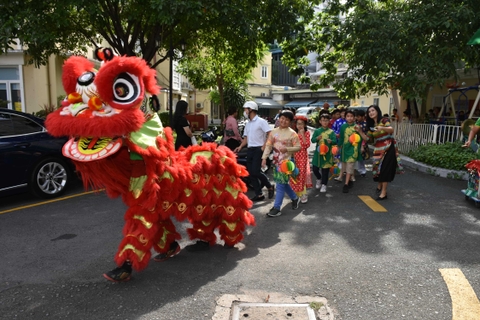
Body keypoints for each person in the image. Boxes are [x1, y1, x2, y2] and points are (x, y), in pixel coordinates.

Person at [356, 105, 404, 200]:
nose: (371, 113)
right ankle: (380, 185)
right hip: (378, 149)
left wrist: (382, 128)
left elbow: (391, 129)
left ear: (377, 111)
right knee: (379, 169)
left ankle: (384, 193)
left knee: (385, 169)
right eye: (369, 112)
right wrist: (360, 131)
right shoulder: (371, 126)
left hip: (389, 147)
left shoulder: (384, 120)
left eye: (373, 110)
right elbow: (368, 139)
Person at [261, 110, 301, 217]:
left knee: (279, 185)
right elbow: (269, 145)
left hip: (286, 163)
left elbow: (298, 147)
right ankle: (295, 198)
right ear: (279, 118)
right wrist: (264, 158)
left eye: (287, 120)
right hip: (276, 162)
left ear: (290, 122)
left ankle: (277, 208)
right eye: (282, 118)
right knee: (282, 183)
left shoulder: (293, 133)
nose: (284, 121)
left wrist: (287, 149)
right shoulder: (273, 132)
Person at [234, 101, 275, 201]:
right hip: (250, 149)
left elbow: (270, 134)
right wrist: (240, 146)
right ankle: (259, 194)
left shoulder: (261, 121)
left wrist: (264, 146)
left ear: (251, 109)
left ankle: (269, 186)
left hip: (258, 149)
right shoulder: (248, 124)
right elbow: (246, 138)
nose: (244, 111)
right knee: (251, 173)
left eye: (245, 109)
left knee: (256, 171)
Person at [311, 113, 337, 193]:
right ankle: (319, 178)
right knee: (315, 169)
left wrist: (331, 141)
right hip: (318, 154)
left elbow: (335, 141)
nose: (325, 122)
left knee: (325, 170)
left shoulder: (331, 132)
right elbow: (312, 140)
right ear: (320, 121)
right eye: (323, 120)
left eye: (326, 120)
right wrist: (316, 138)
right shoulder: (317, 131)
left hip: (328, 154)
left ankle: (324, 185)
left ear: (329, 121)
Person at [338, 110, 363, 193]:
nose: (350, 118)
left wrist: (361, 146)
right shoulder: (343, 127)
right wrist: (338, 147)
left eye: (351, 116)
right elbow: (341, 138)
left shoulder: (357, 127)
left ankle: (346, 184)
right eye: (348, 116)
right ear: (345, 117)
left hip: (353, 150)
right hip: (345, 149)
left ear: (354, 117)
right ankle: (349, 180)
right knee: (344, 166)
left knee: (350, 166)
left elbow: (361, 138)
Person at [290, 115, 312, 203]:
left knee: (302, 175)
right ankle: (296, 193)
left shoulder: (307, 133)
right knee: (294, 174)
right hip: (294, 156)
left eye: (301, 124)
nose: (299, 126)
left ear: (305, 125)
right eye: (298, 124)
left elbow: (307, 145)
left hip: (302, 156)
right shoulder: (293, 133)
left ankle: (303, 193)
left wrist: (302, 134)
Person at [354, 109, 368, 179]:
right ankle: (356, 170)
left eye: (359, 117)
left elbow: (365, 135)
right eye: (356, 116)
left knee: (361, 158)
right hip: (355, 142)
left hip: (362, 143)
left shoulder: (365, 124)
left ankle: (363, 171)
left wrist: (362, 145)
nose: (357, 118)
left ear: (363, 116)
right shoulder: (356, 123)